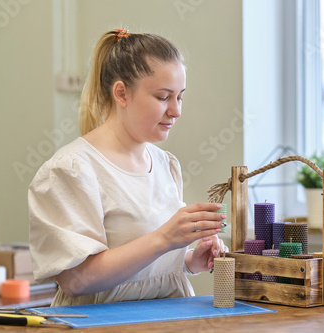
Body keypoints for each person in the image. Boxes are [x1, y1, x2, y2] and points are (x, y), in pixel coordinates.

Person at [28, 28, 228, 307]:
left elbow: (143, 268)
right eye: (163, 97)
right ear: (121, 93)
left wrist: (188, 260)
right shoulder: (71, 170)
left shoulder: (165, 165)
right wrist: (164, 238)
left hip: (168, 321)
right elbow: (76, 281)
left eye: (179, 97)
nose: (176, 110)